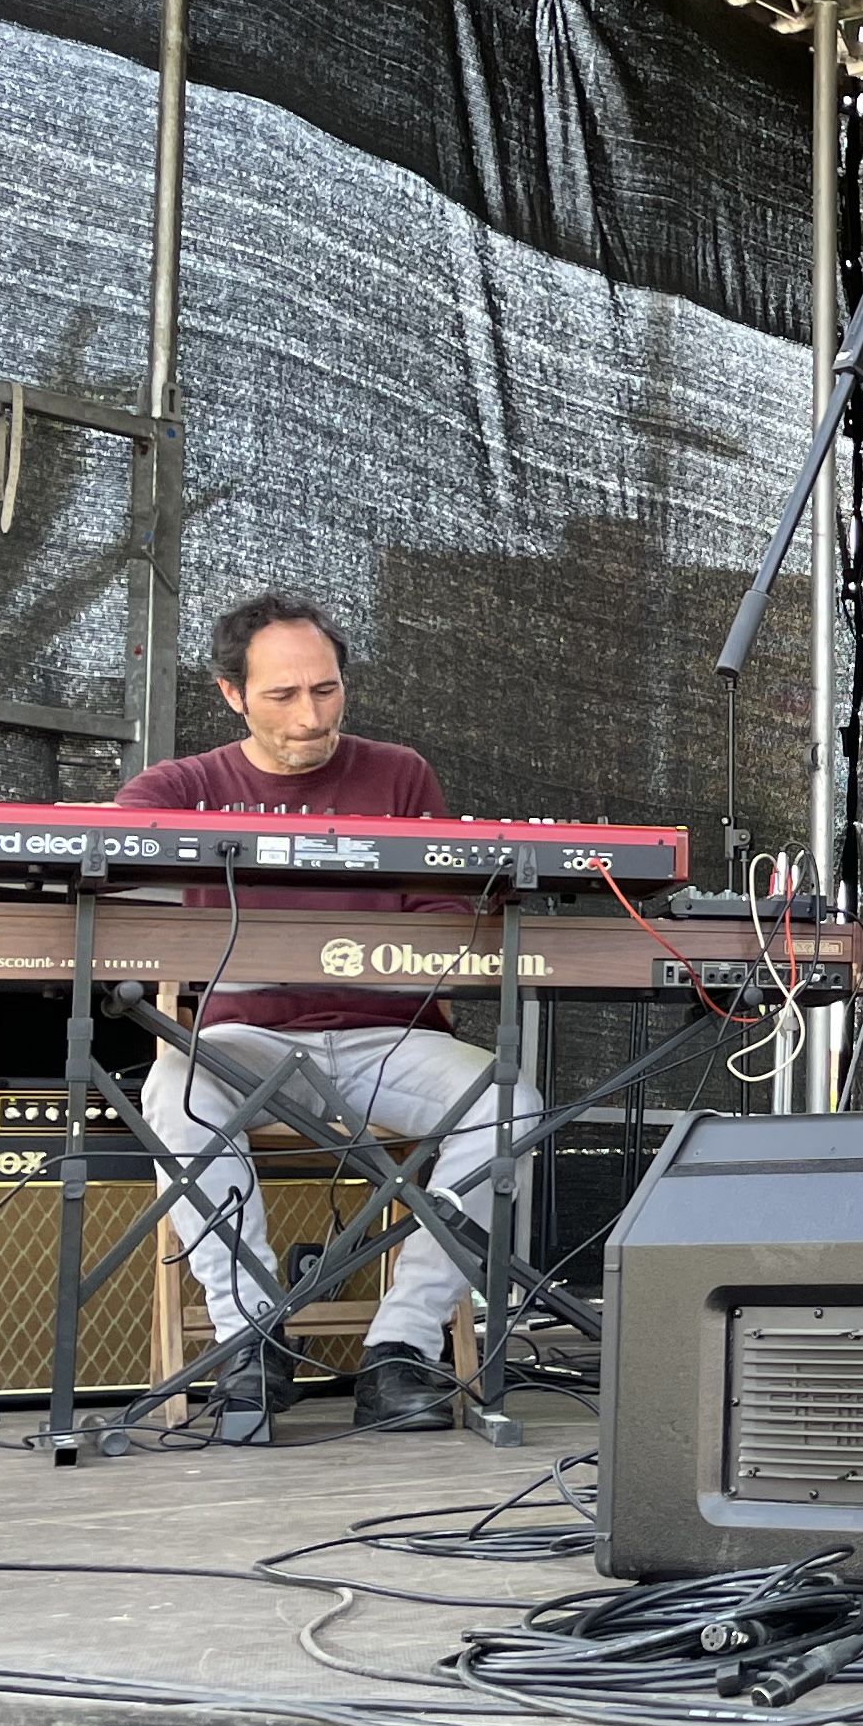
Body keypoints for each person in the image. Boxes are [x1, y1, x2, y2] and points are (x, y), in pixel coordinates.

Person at [113, 593, 540, 1434]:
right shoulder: (185, 786)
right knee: (178, 1091)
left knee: (509, 1108)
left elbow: (449, 915)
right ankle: (250, 1341)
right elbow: (120, 875)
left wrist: (365, 958)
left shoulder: (399, 773)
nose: (309, 716)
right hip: (250, 1039)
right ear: (231, 694)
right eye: (282, 696)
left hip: (390, 1039)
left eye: (325, 690)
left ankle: (402, 1348)